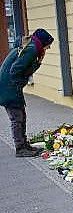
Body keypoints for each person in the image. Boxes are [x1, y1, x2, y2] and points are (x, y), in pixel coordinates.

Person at [0, 28, 54, 157]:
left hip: (9, 86)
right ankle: (20, 148)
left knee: (21, 116)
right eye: (48, 45)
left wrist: (38, 62)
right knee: (17, 118)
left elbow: (22, 68)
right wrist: (21, 83)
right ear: (43, 42)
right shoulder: (32, 50)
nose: (48, 48)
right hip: (9, 87)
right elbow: (15, 70)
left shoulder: (30, 46)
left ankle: (24, 145)